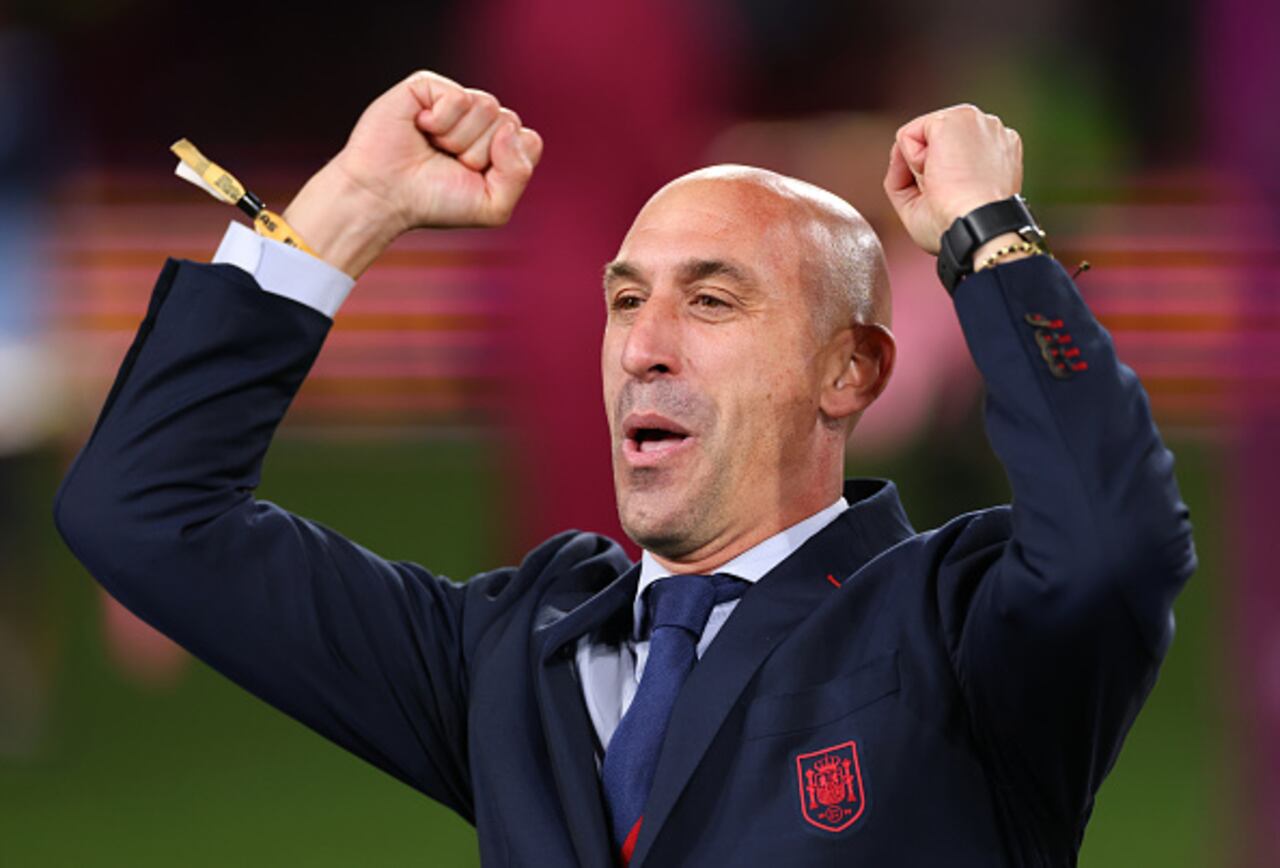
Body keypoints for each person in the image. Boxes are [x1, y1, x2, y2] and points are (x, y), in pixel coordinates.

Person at [55, 70, 1196, 867]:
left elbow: (1113, 537)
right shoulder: (510, 657)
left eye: (709, 300)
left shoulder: (954, 628)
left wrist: (987, 234)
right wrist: (351, 204)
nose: (644, 345)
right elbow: (141, 512)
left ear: (847, 372)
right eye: (622, 300)